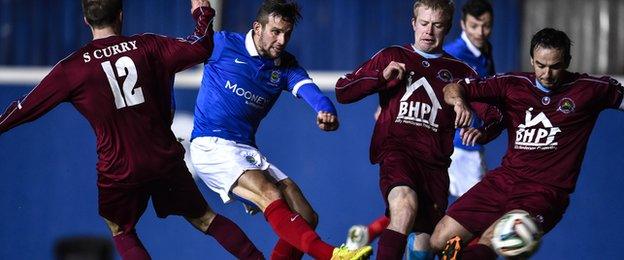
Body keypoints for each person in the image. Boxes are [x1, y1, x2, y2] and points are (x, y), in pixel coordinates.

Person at [0, 1, 265, 259]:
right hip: (163, 158)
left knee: (121, 230)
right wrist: (203, 13)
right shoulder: (147, 45)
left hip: (119, 168)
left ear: (85, 21)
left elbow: (24, 109)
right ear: (120, 15)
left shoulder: (72, 68)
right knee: (206, 219)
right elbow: (201, 46)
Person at [189, 0, 372, 259]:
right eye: (275, 31)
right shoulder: (222, 44)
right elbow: (176, 56)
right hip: (210, 145)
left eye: (287, 33)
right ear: (257, 27)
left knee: (307, 216)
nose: (282, 39)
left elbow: (311, 91)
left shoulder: (285, 66)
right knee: (270, 193)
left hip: (244, 148)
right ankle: (332, 255)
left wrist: (325, 110)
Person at [431, 28, 624, 260]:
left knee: (494, 238)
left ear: (568, 61)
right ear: (532, 59)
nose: (547, 74)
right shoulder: (513, 84)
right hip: (503, 180)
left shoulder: (589, 89)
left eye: (555, 66)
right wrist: (460, 103)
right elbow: (454, 87)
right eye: (540, 65)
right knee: (438, 240)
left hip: (544, 193)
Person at [335, 0, 503, 259]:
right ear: (413, 24)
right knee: (404, 206)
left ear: (447, 28)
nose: (428, 31)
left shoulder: (461, 72)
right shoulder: (393, 56)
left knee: (424, 245)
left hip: (435, 167)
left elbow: (495, 114)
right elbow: (343, 90)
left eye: (436, 25)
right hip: (397, 153)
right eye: (423, 23)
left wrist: (483, 131)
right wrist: (381, 79)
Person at [443, 0, 496, 201]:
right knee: (480, 211)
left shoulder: (486, 50)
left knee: (430, 208)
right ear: (463, 25)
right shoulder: (453, 54)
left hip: (472, 141)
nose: (480, 32)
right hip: (459, 145)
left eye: (486, 26)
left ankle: (370, 232)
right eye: (474, 26)